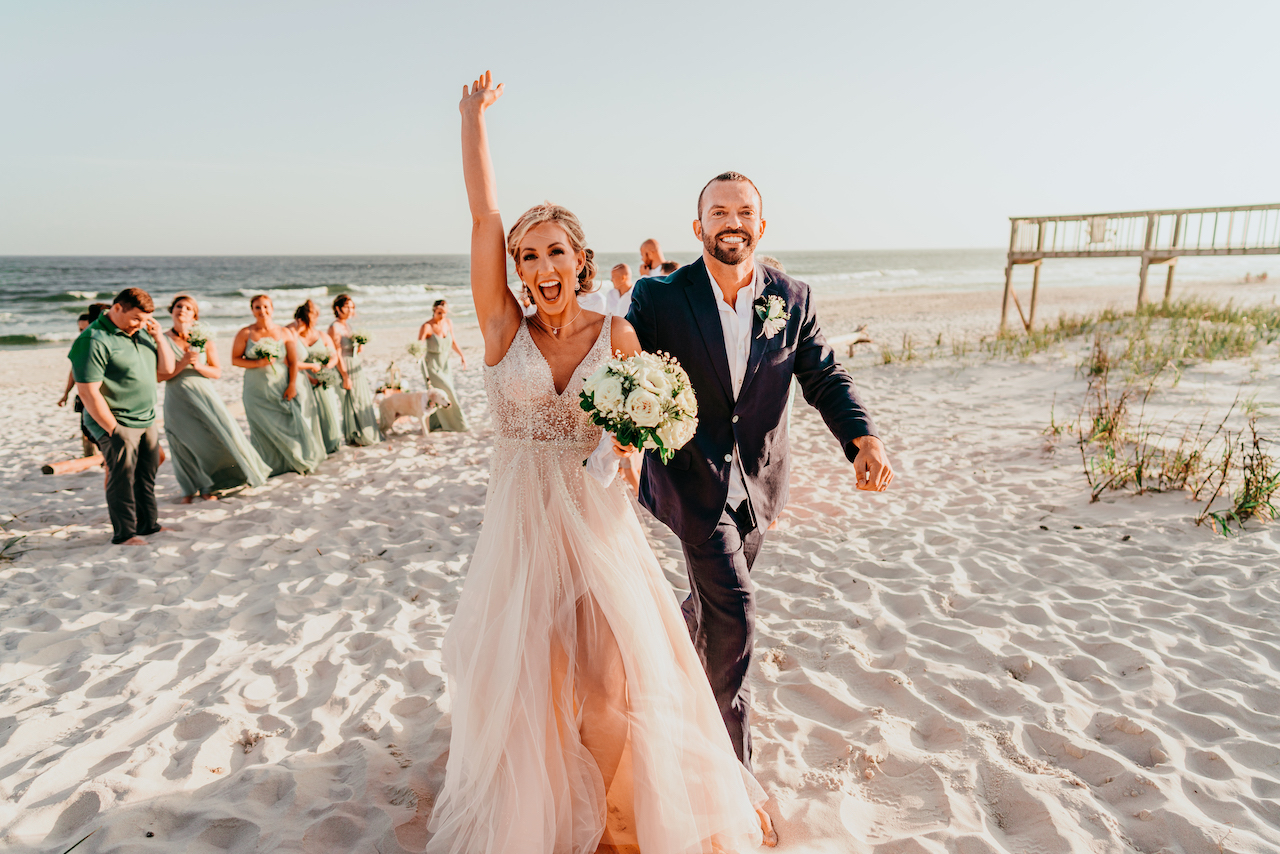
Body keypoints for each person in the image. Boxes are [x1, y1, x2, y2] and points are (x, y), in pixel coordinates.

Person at [427, 72, 771, 854]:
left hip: (596, 528)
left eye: (555, 251)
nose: (540, 266)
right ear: (516, 267)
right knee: (530, 695)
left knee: (610, 690)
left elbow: (648, 423)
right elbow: (483, 214)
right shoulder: (499, 331)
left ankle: (619, 829)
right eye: (527, 255)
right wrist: (471, 119)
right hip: (520, 532)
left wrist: (627, 444)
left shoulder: (617, 338)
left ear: (580, 259)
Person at [626, 171, 893, 777]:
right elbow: (624, 369)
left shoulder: (792, 298)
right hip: (689, 480)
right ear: (698, 228)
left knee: (707, 606)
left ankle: (662, 650)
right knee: (737, 611)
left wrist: (863, 441)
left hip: (760, 483)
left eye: (743, 211)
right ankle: (731, 772)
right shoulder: (660, 299)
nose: (732, 221)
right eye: (718, 212)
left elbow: (825, 376)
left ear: (761, 226)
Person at [68, 288, 176, 545]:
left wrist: (159, 337)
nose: (140, 324)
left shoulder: (142, 332)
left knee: (145, 475)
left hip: (145, 418)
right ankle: (125, 533)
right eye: (136, 318)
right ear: (117, 308)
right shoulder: (93, 339)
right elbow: (87, 391)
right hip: (116, 421)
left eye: (146, 319)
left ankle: (149, 525)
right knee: (122, 477)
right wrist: (112, 429)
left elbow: (167, 369)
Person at [159, 295, 270, 502]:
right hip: (176, 397)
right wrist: (182, 364)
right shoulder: (162, 339)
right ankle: (188, 489)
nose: (182, 310)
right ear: (171, 310)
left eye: (188, 308)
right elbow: (158, 376)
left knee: (213, 438)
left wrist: (197, 365)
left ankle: (211, 485)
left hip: (204, 394)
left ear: (194, 314)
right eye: (178, 306)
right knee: (182, 442)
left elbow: (217, 371)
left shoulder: (203, 337)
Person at [231, 294, 325, 476]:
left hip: (281, 386)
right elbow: (235, 360)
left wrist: (291, 385)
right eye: (257, 307)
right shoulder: (245, 333)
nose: (262, 311)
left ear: (272, 309)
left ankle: (297, 461)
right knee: (262, 429)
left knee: (289, 423)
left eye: (266, 307)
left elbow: (293, 361)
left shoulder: (286, 332)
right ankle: (271, 466)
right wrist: (258, 363)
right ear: (252, 310)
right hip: (255, 390)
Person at [289, 299, 345, 455]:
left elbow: (334, 356)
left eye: (316, 317)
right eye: (312, 317)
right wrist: (309, 375)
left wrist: (327, 368)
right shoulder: (294, 336)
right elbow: (292, 361)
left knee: (329, 412)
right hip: (303, 378)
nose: (314, 320)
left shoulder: (322, 335)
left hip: (323, 378)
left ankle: (332, 445)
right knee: (309, 415)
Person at [329, 294, 382, 446]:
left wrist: (359, 345)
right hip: (344, 366)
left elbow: (353, 350)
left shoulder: (348, 326)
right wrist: (345, 375)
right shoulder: (334, 327)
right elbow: (337, 353)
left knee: (361, 397)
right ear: (338, 309)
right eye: (347, 307)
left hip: (355, 363)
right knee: (350, 400)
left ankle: (366, 431)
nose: (350, 310)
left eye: (352, 307)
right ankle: (354, 434)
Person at [58, 302, 110, 457]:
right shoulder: (83, 343)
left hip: (104, 396)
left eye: (85, 327)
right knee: (88, 429)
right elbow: (73, 371)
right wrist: (66, 393)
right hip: (88, 395)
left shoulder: (99, 341)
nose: (83, 331)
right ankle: (92, 455)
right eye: (80, 329)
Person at [416, 299, 470, 432]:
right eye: (440, 313)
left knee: (442, 393)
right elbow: (419, 346)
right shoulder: (426, 326)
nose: (442, 316)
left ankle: (436, 424)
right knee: (448, 393)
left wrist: (462, 356)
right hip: (432, 366)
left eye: (445, 313)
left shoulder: (448, 322)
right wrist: (418, 354)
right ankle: (459, 425)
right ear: (434, 310)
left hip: (445, 364)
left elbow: (453, 342)